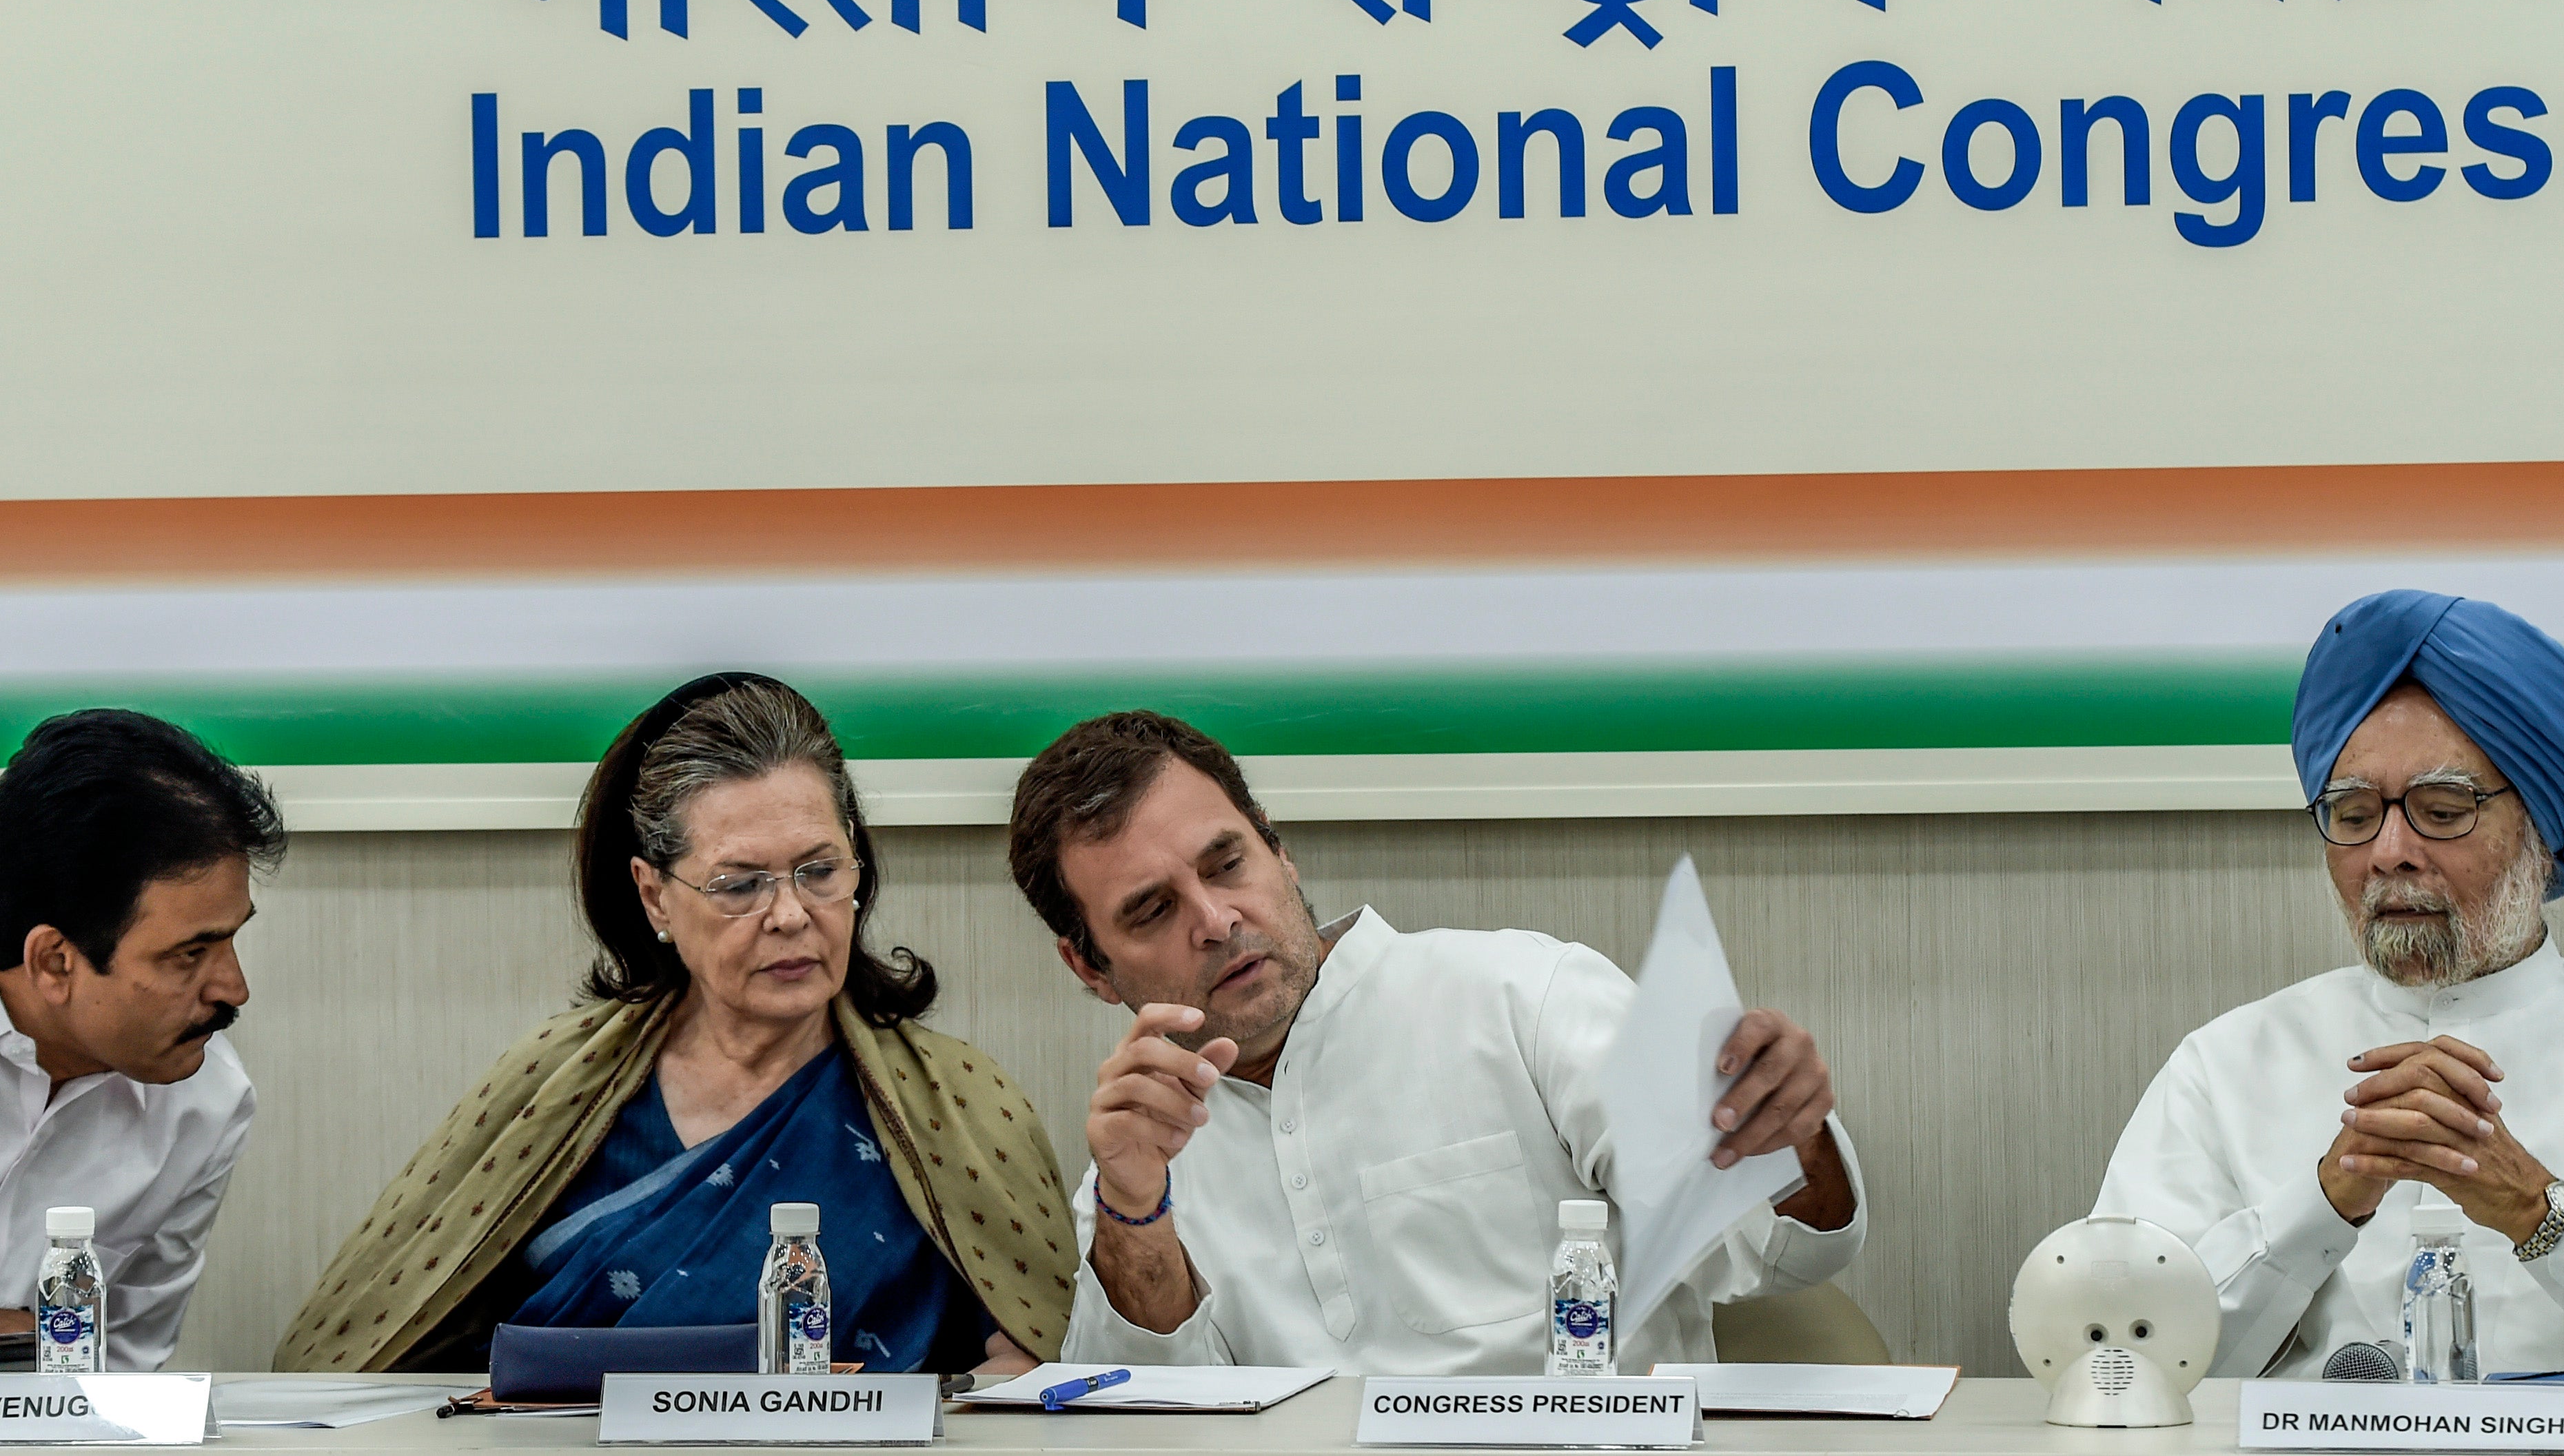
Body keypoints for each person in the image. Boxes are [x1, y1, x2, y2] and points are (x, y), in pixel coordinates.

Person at [1004, 709, 1868, 1375]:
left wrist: (1788, 1131)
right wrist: (1132, 1209)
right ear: (1089, 965)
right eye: (1153, 910)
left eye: (1228, 863)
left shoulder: (1523, 996)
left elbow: (1774, 1250)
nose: (1218, 919)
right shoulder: (1139, 1155)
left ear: (1280, 849)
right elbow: (1148, 1413)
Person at [279, 674, 1073, 1374]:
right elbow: (365, 1356)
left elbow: (1040, 1361)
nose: (792, 915)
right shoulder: (551, 1085)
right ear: (655, 895)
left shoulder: (960, 1104)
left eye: (819, 871)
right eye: (740, 884)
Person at [2097, 589, 2564, 1375]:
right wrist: (2325, 1200)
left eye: (2441, 808)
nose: (2389, 850)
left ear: (2542, 831)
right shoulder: (2227, 1065)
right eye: (2355, 814)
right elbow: (2114, 1358)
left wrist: (2542, 1214)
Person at [0, 708, 281, 1370]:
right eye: (191, 953)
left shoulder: (208, 1100)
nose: (233, 990)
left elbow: (120, 1379)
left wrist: (24, 1336)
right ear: (54, 963)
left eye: (232, 937)